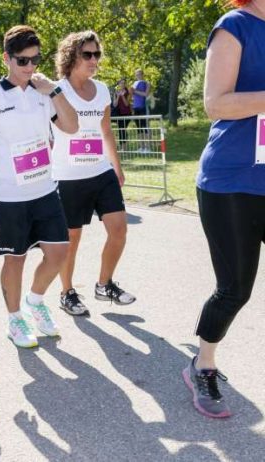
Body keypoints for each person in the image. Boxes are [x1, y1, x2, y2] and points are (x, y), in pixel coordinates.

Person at [0, 25, 78, 348]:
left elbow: (71, 127)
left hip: (44, 190)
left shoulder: (44, 92)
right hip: (7, 196)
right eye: (22, 60)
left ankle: (35, 301)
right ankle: (15, 319)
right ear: (6, 58)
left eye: (35, 59)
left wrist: (55, 90)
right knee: (15, 259)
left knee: (59, 252)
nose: (30, 67)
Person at [185, 0, 265, 419]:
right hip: (232, 180)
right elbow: (215, 104)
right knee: (235, 288)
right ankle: (203, 363)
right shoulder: (235, 26)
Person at [51, 31, 135, 317]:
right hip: (69, 176)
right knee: (71, 240)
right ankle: (67, 292)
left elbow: (107, 131)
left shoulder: (101, 90)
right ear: (71, 56)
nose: (94, 60)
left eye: (97, 54)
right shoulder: (56, 90)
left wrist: (117, 166)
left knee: (119, 229)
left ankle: (104, 283)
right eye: (87, 54)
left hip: (101, 171)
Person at [130, 69, 151, 151]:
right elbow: (131, 95)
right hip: (136, 107)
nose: (138, 75)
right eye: (136, 74)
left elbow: (146, 94)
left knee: (145, 127)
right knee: (138, 128)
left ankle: (148, 148)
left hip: (143, 107)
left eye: (139, 74)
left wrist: (135, 91)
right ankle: (141, 147)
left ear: (143, 75)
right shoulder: (134, 83)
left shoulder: (147, 83)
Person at [112, 79, 132, 151]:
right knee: (121, 130)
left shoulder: (128, 92)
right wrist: (118, 96)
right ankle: (123, 147)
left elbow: (127, 104)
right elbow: (114, 104)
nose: (122, 85)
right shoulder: (116, 92)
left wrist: (123, 96)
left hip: (127, 114)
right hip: (119, 114)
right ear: (118, 84)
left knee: (123, 129)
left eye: (124, 83)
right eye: (121, 83)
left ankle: (125, 147)